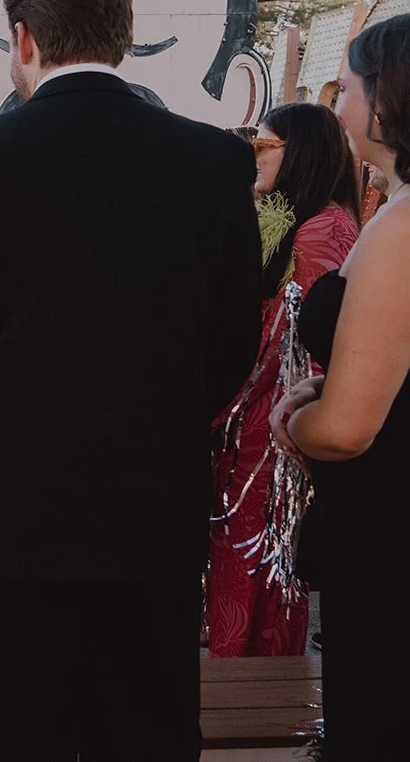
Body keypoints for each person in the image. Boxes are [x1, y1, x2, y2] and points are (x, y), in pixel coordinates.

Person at [0, 0, 263, 759]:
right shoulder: (213, 163)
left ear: (24, 38)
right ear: (123, 34)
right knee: (150, 726)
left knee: (22, 728)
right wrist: (165, 416)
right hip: (156, 504)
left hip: (19, 505)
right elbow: (233, 338)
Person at [273, 14, 410, 757]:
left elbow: (352, 426)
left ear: (384, 100)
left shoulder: (402, 229)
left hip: (387, 529)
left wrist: (294, 422)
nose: (339, 102)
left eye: (347, 86)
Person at [207, 103, 358, 658]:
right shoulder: (297, 221)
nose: (254, 158)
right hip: (256, 429)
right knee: (246, 576)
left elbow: (294, 348)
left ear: (301, 153)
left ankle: (253, 692)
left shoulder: (323, 232)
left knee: (260, 578)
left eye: (263, 147)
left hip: (275, 437)